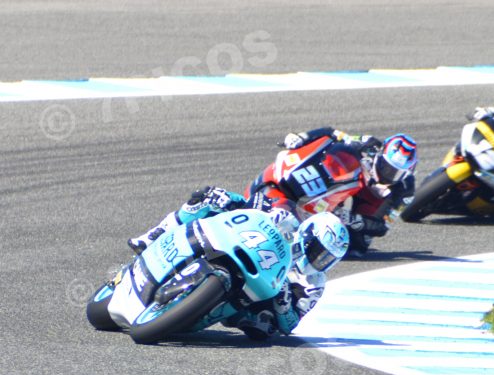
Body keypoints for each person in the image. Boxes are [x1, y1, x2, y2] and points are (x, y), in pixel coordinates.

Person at [127, 186, 349, 340]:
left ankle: (198, 312)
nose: (320, 261)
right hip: (241, 249)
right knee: (205, 197)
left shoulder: (314, 284)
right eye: (320, 252)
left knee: (265, 327)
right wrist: (230, 199)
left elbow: (291, 324)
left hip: (252, 300)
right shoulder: (287, 222)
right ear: (308, 236)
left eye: (328, 259)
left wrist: (283, 302)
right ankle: (152, 236)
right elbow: (254, 206)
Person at [266, 128, 418, 256]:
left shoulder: (406, 190)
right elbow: (333, 133)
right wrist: (302, 137)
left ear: (407, 172)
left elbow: (382, 226)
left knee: (357, 246)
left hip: (364, 210)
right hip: (347, 183)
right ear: (380, 154)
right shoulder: (369, 144)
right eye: (386, 166)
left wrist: (352, 219)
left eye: (395, 172)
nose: (388, 173)